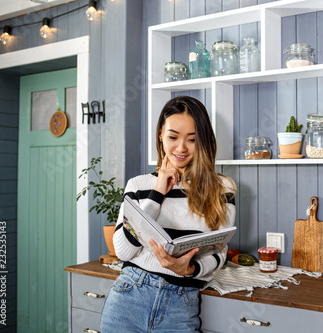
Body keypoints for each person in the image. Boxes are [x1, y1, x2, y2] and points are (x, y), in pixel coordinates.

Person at [100, 96, 236, 332]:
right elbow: (123, 250)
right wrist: (158, 193)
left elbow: (219, 252)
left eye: (192, 140)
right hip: (128, 297)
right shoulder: (138, 185)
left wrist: (189, 269)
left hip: (181, 302)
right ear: (160, 135)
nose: (181, 148)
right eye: (173, 137)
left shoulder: (223, 189)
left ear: (203, 141)